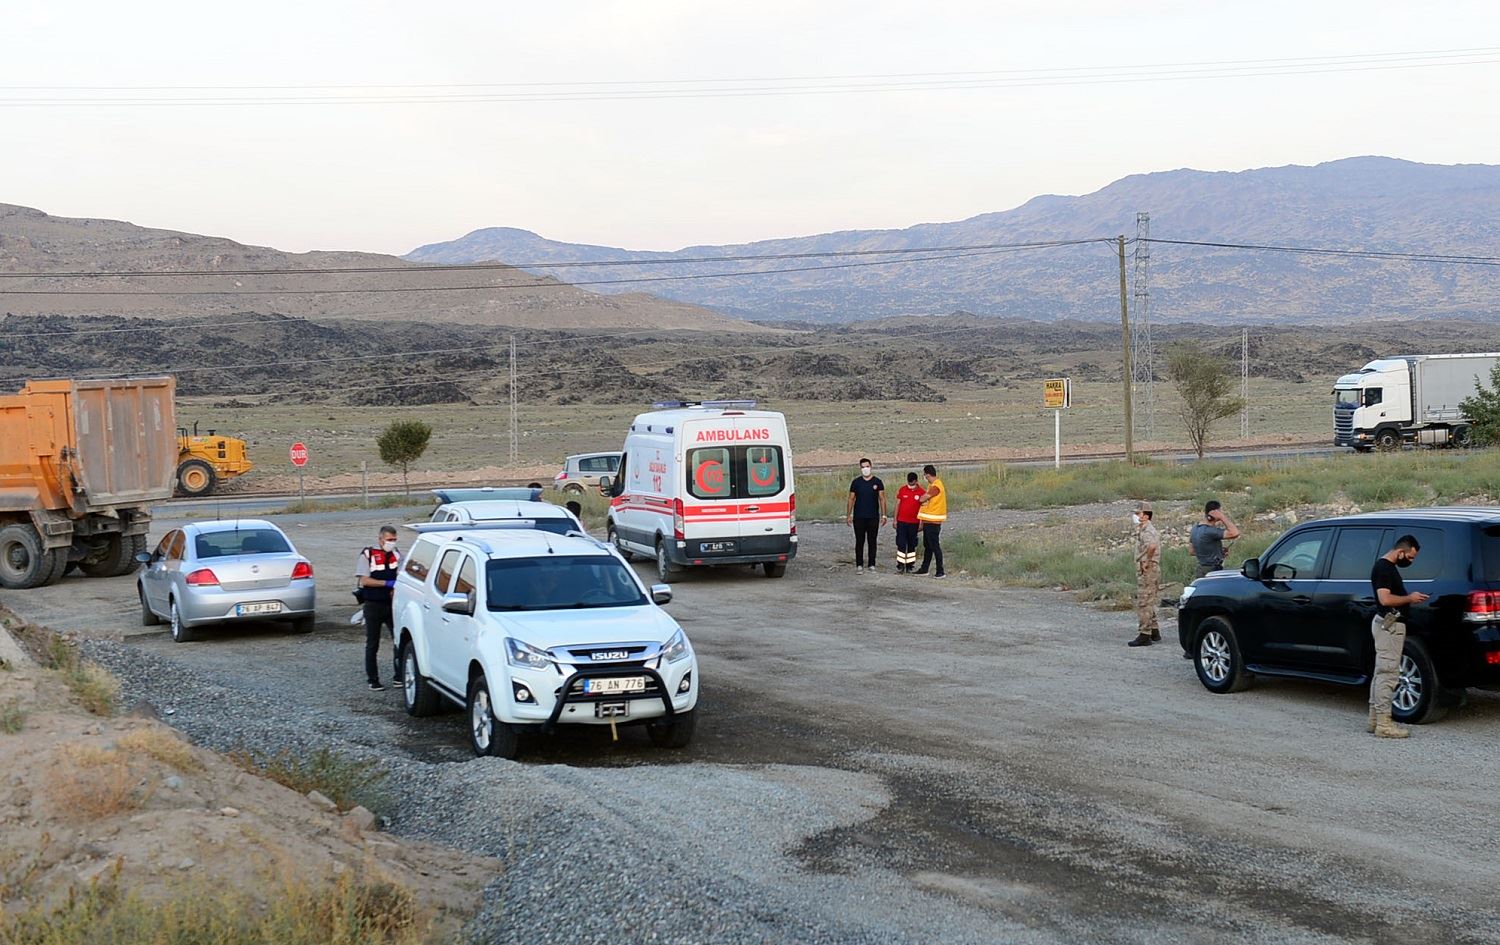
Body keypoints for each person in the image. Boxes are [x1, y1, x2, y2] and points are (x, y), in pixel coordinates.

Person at [1368, 535, 1428, 738]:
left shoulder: (1385, 567)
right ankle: (1384, 724)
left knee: (1380, 672)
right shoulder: (1384, 568)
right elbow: (1384, 599)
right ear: (1401, 551)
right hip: (1390, 627)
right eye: (1410, 557)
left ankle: (1375, 720)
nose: (1410, 561)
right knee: (1388, 674)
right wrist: (1409, 598)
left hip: (1386, 626)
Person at [356, 526, 402, 691]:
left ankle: (399, 677)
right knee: (372, 644)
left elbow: (401, 576)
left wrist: (396, 587)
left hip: (392, 605)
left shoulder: (397, 555)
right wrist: (387, 584)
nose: (392, 543)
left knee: (399, 641)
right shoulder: (368, 555)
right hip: (373, 604)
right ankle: (373, 679)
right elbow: (365, 581)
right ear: (380, 539)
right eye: (390, 540)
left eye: (394, 540)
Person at [846, 458, 887, 572]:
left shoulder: (877, 482)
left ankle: (871, 564)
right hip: (859, 517)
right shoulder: (856, 482)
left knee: (872, 541)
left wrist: (884, 515)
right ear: (860, 468)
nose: (865, 469)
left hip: (873, 517)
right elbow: (851, 499)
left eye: (867, 466)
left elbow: (882, 499)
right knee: (859, 541)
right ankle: (859, 564)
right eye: (863, 467)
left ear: (871, 467)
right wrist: (848, 515)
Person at [1129, 502, 1161, 647]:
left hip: (1148, 570)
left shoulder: (1148, 531)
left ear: (1146, 516)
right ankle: (1154, 631)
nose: (1135, 516)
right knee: (1149, 600)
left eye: (1138, 513)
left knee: (1144, 602)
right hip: (1147, 569)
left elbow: (1152, 546)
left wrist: (1147, 561)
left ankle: (1144, 634)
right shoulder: (1142, 530)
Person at [1189, 500, 1241, 579]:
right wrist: (1222, 517)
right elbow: (1235, 533)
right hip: (1212, 572)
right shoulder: (1210, 531)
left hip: (1201, 571)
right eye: (1220, 512)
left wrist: (1216, 551)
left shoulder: (1195, 528)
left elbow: (1192, 551)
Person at [914, 464, 946, 578]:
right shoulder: (932, 485)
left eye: (925, 475)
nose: (925, 477)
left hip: (933, 521)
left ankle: (940, 571)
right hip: (928, 520)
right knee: (928, 545)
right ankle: (924, 568)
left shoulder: (936, 486)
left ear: (927, 474)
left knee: (934, 546)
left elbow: (923, 498)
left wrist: (919, 498)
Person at [892, 472, 925, 573]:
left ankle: (910, 565)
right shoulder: (902, 490)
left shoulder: (921, 492)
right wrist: (895, 519)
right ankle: (900, 565)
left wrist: (921, 523)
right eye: (909, 481)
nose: (910, 483)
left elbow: (924, 508)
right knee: (901, 543)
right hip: (902, 522)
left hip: (914, 522)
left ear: (916, 481)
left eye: (912, 481)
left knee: (912, 544)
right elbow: (897, 505)